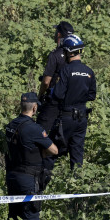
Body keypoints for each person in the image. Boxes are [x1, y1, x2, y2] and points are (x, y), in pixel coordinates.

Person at [44, 34, 97, 175]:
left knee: (51, 149)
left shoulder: (66, 70)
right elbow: (92, 95)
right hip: (82, 118)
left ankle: (41, 185)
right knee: (77, 152)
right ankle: (77, 184)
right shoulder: (89, 71)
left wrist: (54, 90)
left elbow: (58, 94)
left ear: (68, 51)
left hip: (66, 117)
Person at [5, 92, 58, 220]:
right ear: (34, 108)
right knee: (31, 219)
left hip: (12, 176)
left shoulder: (11, 125)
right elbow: (54, 150)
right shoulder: (34, 129)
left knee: (13, 218)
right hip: (28, 178)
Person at [36, 21, 75, 132]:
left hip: (53, 100)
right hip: (68, 101)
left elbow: (46, 82)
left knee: (41, 131)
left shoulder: (55, 55)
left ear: (58, 34)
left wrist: (40, 96)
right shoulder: (73, 55)